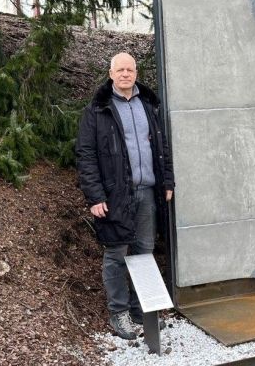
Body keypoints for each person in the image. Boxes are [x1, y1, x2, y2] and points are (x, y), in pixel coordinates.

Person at [76, 52, 175, 340]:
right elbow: (86, 155)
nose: (125, 74)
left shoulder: (148, 106)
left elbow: (162, 148)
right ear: (111, 74)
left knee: (144, 251)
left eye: (129, 70)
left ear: (136, 73)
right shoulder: (98, 110)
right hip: (115, 195)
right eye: (119, 70)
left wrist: (167, 181)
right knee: (116, 253)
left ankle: (140, 310)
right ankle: (118, 313)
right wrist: (95, 196)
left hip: (148, 192)